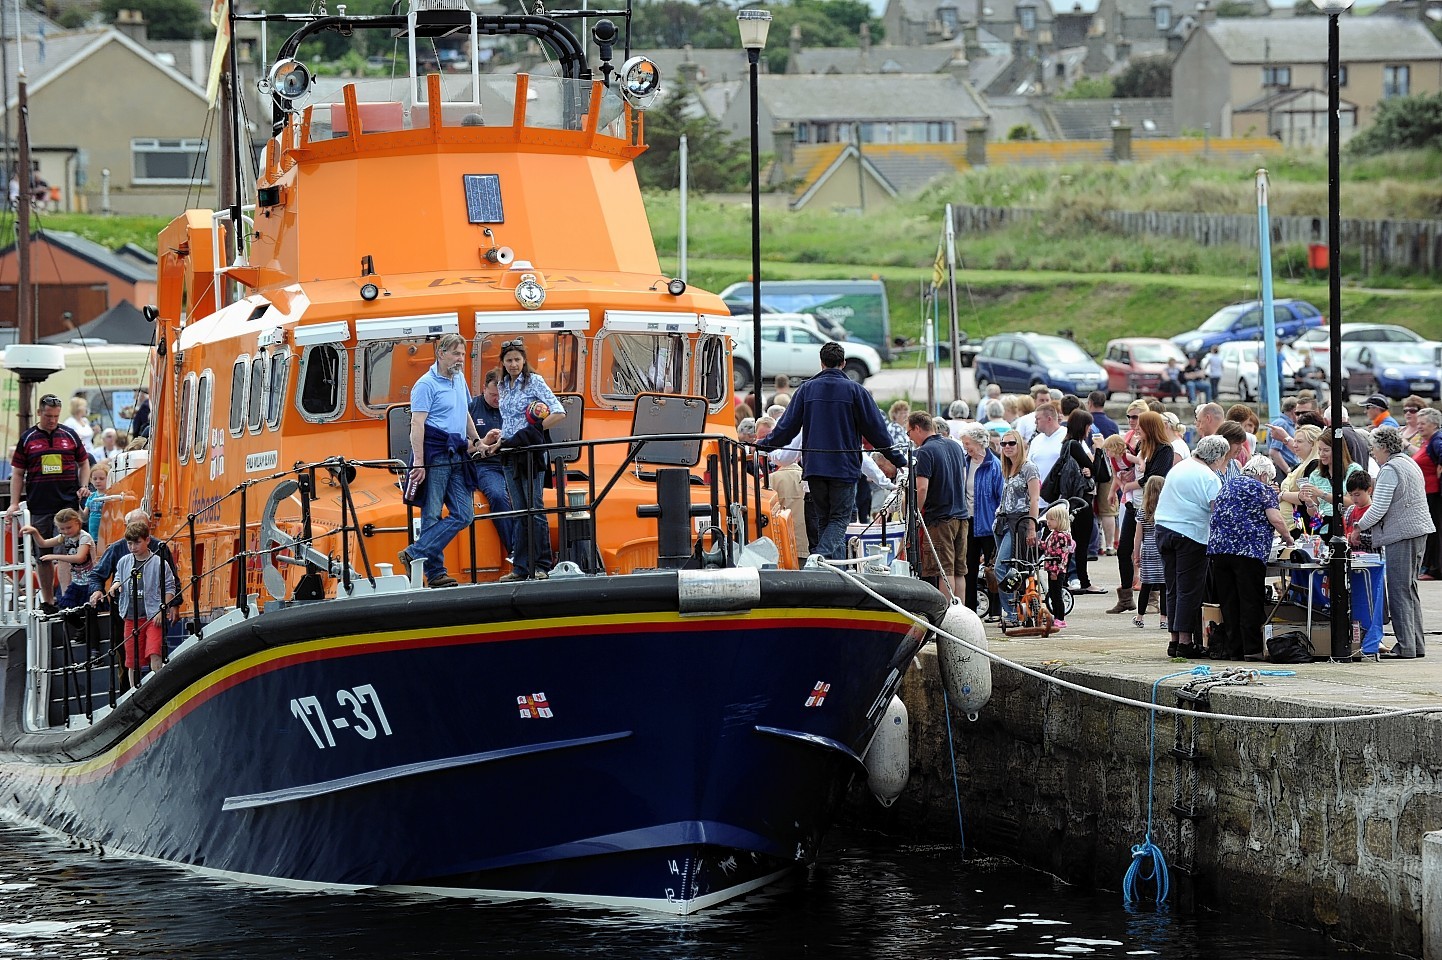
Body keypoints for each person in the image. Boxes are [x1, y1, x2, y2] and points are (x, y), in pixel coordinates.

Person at [759, 342, 905, 561]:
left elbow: (786, 427)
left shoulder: (806, 389)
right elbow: (877, 431)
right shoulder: (856, 391)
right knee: (839, 520)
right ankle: (820, 558)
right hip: (844, 469)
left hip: (815, 469)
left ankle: (829, 568)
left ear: (821, 363)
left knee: (825, 521)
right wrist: (899, 459)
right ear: (844, 364)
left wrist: (764, 445)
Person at [401, 335, 494, 589]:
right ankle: (435, 573)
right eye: (455, 354)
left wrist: (477, 442)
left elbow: (464, 412)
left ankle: (415, 552)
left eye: (463, 354)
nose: (460, 359)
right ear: (440, 353)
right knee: (430, 514)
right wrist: (419, 462)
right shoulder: (425, 385)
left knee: (465, 514)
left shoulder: (459, 380)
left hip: (457, 453)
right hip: (436, 454)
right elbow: (417, 424)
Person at [1350, 426, 1435, 659]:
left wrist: (1358, 527)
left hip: (1403, 534)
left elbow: (1378, 507)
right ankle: (1415, 645)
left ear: (1384, 447)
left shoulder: (1390, 469)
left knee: (1398, 590)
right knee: (1409, 589)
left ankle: (1405, 646)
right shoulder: (1408, 462)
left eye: (1374, 449)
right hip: (1418, 532)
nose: (1373, 453)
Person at [1207, 456, 1295, 661]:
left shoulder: (1227, 486)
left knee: (1229, 602)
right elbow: (1275, 518)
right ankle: (1252, 649)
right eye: (1269, 479)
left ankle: (1233, 649)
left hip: (1220, 551)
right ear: (1263, 474)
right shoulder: (1261, 489)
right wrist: (1288, 538)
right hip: (1248, 552)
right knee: (1250, 601)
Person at [7, 393, 90, 608]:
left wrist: (83, 486)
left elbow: (84, 462)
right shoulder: (27, 438)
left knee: (64, 550)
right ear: (39, 413)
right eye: (48, 416)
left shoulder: (69, 435)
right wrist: (14, 502)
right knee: (41, 554)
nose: (52, 420)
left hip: (66, 504)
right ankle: (48, 600)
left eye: (55, 416)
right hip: (40, 504)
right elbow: (17, 473)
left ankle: (66, 598)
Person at [1153, 434, 1230, 658]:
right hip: (1191, 534)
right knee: (1189, 589)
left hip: (1164, 528)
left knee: (1173, 587)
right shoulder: (1209, 476)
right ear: (1217, 457)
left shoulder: (1179, 467)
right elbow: (1217, 511)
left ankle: (1174, 639)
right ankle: (1186, 642)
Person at [495, 337, 565, 581]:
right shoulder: (502, 386)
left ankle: (542, 564)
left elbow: (558, 411)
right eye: (509, 360)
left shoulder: (534, 381)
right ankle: (521, 566)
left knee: (534, 509)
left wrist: (535, 433)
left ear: (524, 360)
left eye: (517, 359)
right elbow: (507, 420)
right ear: (502, 363)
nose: (513, 364)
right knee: (519, 511)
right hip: (509, 452)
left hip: (531, 453)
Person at [90, 520, 180, 688]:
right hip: (130, 617)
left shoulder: (159, 562)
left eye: (137, 542)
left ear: (147, 540)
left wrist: (163, 609)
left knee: (155, 652)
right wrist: (115, 585)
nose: (132, 547)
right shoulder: (124, 561)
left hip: (152, 616)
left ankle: (158, 687)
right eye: (129, 543)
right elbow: (118, 578)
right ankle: (133, 691)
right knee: (131, 660)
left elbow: (170, 586)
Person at [908, 412, 968, 598]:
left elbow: (922, 488)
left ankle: (947, 617)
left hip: (940, 518)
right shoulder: (955, 446)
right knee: (959, 571)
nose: (909, 437)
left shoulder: (923, 452)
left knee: (944, 570)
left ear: (917, 428)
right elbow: (963, 478)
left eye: (909, 432)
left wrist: (915, 513)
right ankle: (961, 617)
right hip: (961, 515)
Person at [468, 367, 518, 566]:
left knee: (531, 497)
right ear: (484, 390)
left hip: (513, 462)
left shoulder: (514, 406)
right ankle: (515, 548)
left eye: (502, 395)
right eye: (493, 395)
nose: (498, 399)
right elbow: (461, 446)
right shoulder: (471, 409)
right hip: (485, 465)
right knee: (497, 495)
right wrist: (484, 441)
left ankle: (539, 549)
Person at [992, 429, 1040, 629]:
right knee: (1008, 567)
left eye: (1012, 443)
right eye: (1003, 444)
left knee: (1003, 567)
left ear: (1020, 445)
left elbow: (1035, 499)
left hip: (1020, 522)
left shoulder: (1028, 468)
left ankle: (1013, 612)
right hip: (1003, 521)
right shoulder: (1007, 468)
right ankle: (1016, 609)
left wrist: (1031, 527)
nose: (1007, 447)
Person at [960, 424, 1002, 618]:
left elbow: (1000, 496)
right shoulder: (965, 462)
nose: (965, 446)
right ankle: (970, 610)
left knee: (991, 569)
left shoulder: (994, 465)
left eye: (967, 443)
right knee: (968, 567)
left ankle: (995, 610)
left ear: (979, 442)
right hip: (968, 522)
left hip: (988, 523)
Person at [22, 507, 96, 610]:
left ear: (78, 523)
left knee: (89, 609)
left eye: (69, 527)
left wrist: (54, 557)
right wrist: (35, 532)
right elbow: (43, 544)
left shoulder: (84, 537)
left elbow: (80, 558)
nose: (65, 531)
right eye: (62, 529)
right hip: (77, 581)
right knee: (67, 607)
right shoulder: (64, 537)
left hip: (90, 581)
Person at [1131, 476, 1167, 631]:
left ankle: (1140, 617)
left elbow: (1138, 537)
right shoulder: (1166, 511)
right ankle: (1164, 619)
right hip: (1163, 551)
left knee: (1146, 586)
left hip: (1148, 552)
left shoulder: (1142, 512)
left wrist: (1136, 555)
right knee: (1164, 587)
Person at [1413, 406, 1442, 579]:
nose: (1419, 426)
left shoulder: (1437, 440)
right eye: (1418, 423)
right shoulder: (1429, 440)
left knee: (1434, 532)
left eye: (1423, 423)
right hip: (1427, 492)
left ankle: (1434, 568)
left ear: (1434, 424)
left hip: (1433, 493)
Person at [1040, 502, 1074, 630]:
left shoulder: (1061, 536)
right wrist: (1039, 544)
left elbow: (1061, 556)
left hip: (1057, 570)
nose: (1048, 522)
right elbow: (1048, 548)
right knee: (1053, 595)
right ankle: (1057, 616)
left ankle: (1060, 618)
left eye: (1051, 520)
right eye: (1047, 519)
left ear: (1060, 520)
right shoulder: (1053, 534)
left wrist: (1055, 570)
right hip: (1051, 568)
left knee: (1056, 595)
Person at [1342, 470, 1372, 538]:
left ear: (1369, 491)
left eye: (1357, 495)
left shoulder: (1374, 512)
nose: (1353, 499)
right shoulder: (1350, 510)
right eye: (1351, 495)